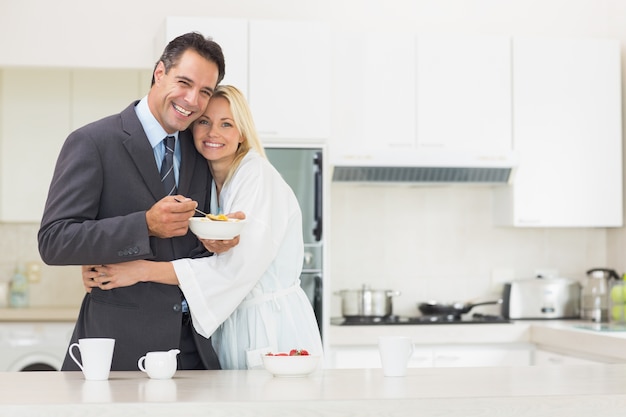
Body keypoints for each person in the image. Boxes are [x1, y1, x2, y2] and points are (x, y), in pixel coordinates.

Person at [82, 85, 324, 369]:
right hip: (232, 324)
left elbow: (235, 269)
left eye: (226, 124)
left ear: (242, 133)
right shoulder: (208, 181)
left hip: (270, 326)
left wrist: (139, 270)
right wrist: (102, 265)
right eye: (204, 122)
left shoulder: (256, 176)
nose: (213, 133)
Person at [38, 32, 238, 371]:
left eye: (205, 91)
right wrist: (143, 226)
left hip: (193, 351)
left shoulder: (201, 148)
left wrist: (217, 241)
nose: (192, 100)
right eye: (184, 82)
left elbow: (191, 251)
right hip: (119, 350)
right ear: (159, 72)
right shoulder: (93, 142)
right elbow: (54, 241)